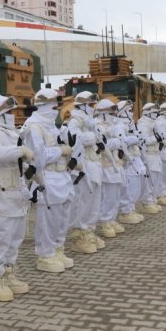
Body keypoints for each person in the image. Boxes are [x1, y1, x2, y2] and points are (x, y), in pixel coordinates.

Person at [0, 95, 35, 301]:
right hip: (0, 195)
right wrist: (21, 150)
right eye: (8, 112)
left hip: (16, 194)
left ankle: (9, 273)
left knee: (15, 237)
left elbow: (20, 162)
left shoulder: (12, 134)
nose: (12, 115)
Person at [22, 88, 75, 272]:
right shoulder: (34, 126)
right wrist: (61, 151)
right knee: (48, 220)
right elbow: (38, 157)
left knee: (62, 217)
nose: (56, 109)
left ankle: (58, 249)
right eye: (54, 105)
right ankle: (45, 255)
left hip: (62, 176)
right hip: (47, 177)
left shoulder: (53, 126)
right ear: (44, 105)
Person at [64, 91, 104, 254]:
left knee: (94, 200)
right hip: (83, 165)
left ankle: (89, 230)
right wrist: (92, 136)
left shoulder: (90, 121)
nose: (93, 107)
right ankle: (79, 234)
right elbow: (74, 139)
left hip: (94, 163)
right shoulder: (75, 120)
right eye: (91, 104)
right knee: (82, 201)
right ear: (83, 105)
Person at [95, 99, 126, 238]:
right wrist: (116, 142)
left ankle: (111, 218)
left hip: (116, 164)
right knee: (107, 196)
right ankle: (104, 221)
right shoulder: (97, 126)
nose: (113, 114)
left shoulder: (113, 125)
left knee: (115, 195)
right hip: (105, 166)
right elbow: (103, 145)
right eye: (110, 112)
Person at [114, 100, 145, 224]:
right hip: (127, 160)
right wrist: (133, 138)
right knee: (129, 185)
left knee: (137, 184)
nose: (131, 113)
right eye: (128, 110)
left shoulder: (130, 124)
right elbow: (122, 142)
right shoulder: (118, 125)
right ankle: (125, 211)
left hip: (135, 156)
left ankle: (131, 208)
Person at [137, 103, 163, 214]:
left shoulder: (153, 123)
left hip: (156, 154)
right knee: (150, 181)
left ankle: (153, 200)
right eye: (155, 113)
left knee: (156, 179)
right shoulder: (143, 123)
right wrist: (157, 138)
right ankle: (147, 202)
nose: (157, 115)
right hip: (148, 155)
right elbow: (144, 140)